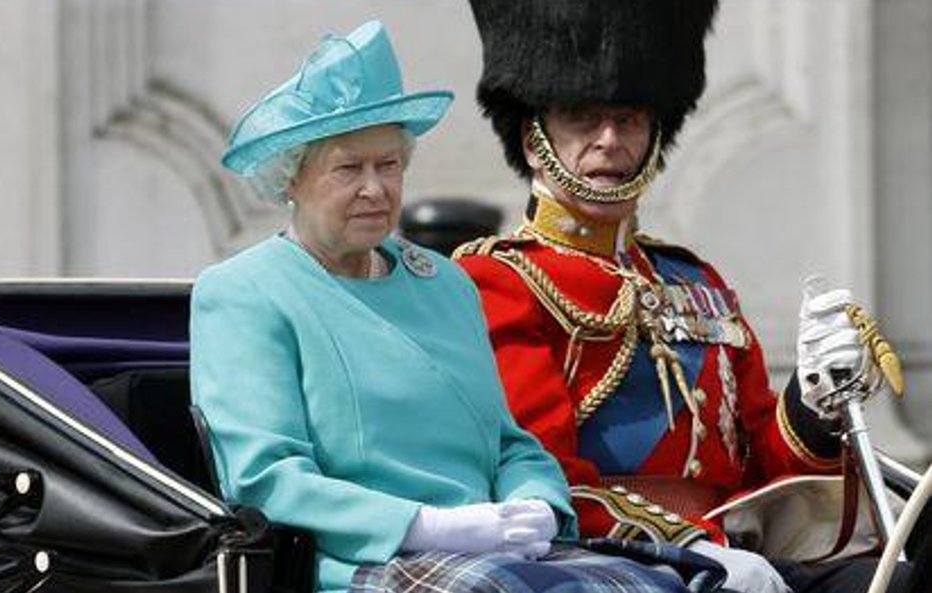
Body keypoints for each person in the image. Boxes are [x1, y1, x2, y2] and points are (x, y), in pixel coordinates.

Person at [190, 20, 726, 593]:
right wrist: (425, 526)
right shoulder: (245, 291)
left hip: (493, 550)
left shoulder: (444, 281)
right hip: (360, 564)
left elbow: (509, 444)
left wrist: (536, 503)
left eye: (388, 165)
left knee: (677, 584)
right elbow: (264, 479)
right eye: (348, 168)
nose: (375, 188)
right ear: (291, 179)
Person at [454, 1, 912, 592]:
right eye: (582, 118)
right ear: (533, 139)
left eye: (628, 119)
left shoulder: (696, 281)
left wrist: (812, 402)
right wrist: (689, 546)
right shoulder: (498, 280)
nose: (609, 141)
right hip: (608, 561)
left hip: (739, 554)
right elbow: (542, 475)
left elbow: (766, 471)